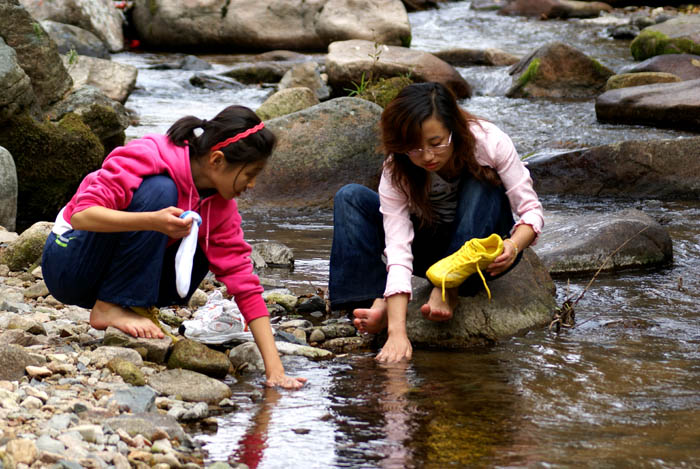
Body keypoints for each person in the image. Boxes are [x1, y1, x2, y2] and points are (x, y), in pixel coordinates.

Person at [42, 105, 307, 389]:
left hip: (110, 275)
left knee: (204, 229)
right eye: (250, 173)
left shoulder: (221, 206)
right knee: (160, 191)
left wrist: (275, 370)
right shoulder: (149, 154)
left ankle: (131, 304)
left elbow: (244, 282)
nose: (252, 184)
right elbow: (83, 216)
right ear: (217, 160)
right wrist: (152, 220)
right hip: (70, 263)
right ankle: (109, 307)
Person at [329, 82, 544, 363]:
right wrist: (397, 332)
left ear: (453, 127)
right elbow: (398, 248)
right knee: (350, 197)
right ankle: (374, 301)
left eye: (436, 143)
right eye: (414, 148)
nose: (427, 157)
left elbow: (531, 212)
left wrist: (514, 246)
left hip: (478, 250)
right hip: (430, 246)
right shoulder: (398, 168)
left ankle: (448, 289)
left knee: (484, 185)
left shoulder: (489, 142)